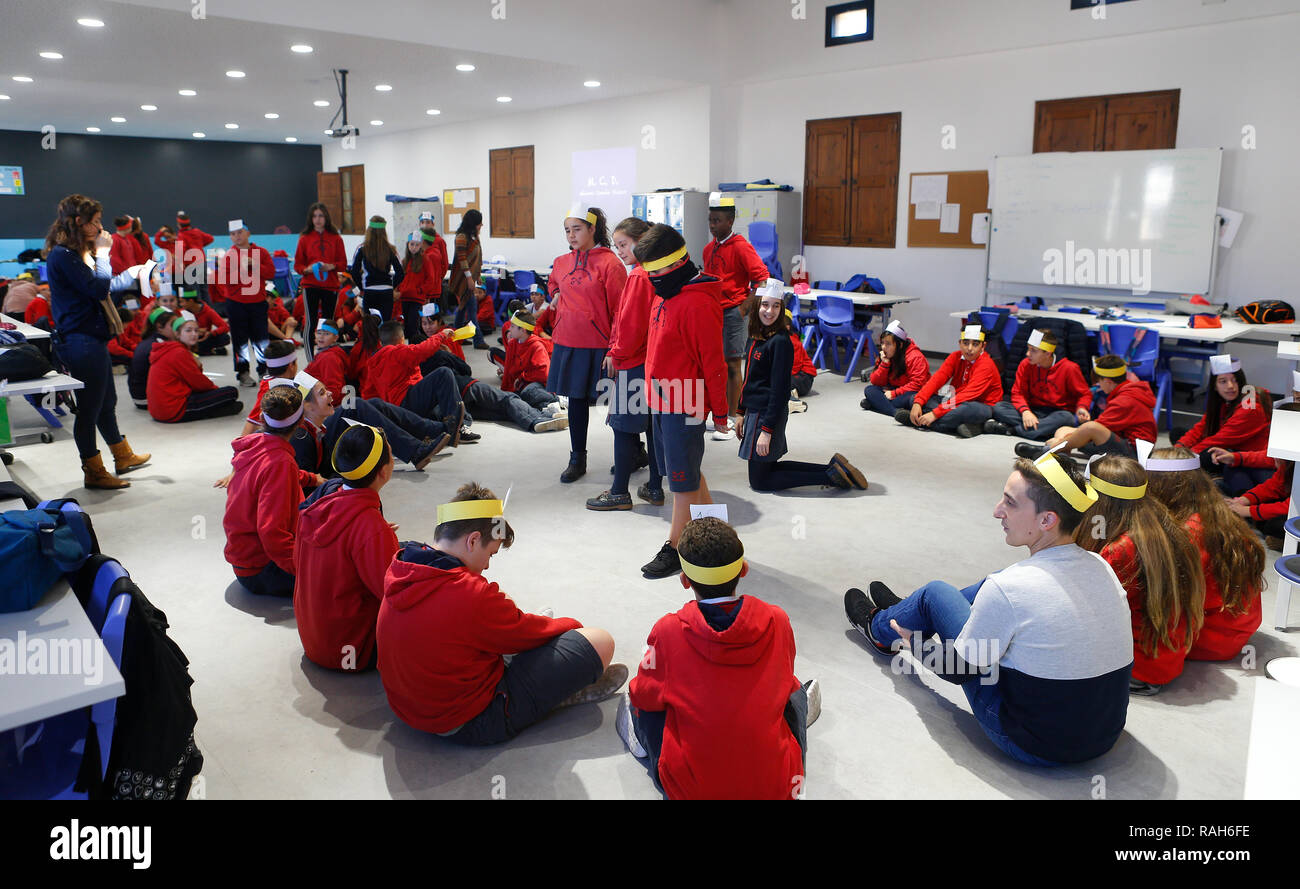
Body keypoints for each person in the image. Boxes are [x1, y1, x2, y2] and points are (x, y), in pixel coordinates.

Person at [844, 452, 1133, 765]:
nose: (998, 511)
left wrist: (914, 643)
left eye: (1010, 503)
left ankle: (881, 629)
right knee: (987, 586)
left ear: (1047, 520)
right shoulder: (1102, 566)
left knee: (935, 593)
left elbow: (959, 670)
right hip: (1104, 735)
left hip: (1031, 744)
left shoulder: (1010, 587)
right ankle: (911, 609)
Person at [375, 483, 627, 745]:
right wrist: (568, 627)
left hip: (409, 709)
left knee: (505, 615)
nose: (486, 566)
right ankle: (561, 694)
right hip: (471, 722)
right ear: (473, 540)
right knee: (600, 642)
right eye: (490, 554)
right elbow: (529, 632)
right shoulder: (469, 592)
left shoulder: (403, 563)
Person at [618, 517, 820, 799]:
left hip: (691, 791)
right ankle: (801, 709)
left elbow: (645, 696)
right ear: (744, 569)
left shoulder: (668, 630)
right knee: (792, 694)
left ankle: (641, 745)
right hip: (777, 788)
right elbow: (783, 680)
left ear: (684, 580)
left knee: (640, 703)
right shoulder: (778, 619)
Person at [635, 223, 730, 579]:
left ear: (677, 263)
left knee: (681, 479)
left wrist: (720, 411)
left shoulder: (698, 303)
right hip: (660, 398)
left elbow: (713, 363)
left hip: (684, 400)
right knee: (685, 469)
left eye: (657, 271)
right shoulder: (666, 291)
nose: (652, 278)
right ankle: (717, 537)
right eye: (649, 273)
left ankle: (677, 547)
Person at [43, 193, 151, 489]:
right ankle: (94, 471)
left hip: (91, 337)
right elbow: (99, 288)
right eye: (95, 222)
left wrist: (127, 272)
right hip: (79, 341)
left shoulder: (75, 253)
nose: (100, 227)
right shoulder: (64, 255)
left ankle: (122, 456)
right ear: (79, 222)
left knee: (107, 402)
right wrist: (104, 254)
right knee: (89, 408)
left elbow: (104, 286)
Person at [1076, 454, 1205, 695]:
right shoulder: (1165, 526)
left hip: (1137, 668)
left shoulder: (1118, 551)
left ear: (1100, 500)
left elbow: (1084, 613)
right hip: (1164, 659)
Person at [738, 280, 867, 493]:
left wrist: (767, 431)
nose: (770, 311)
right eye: (765, 305)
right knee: (768, 468)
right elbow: (749, 379)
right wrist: (741, 411)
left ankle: (831, 476)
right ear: (757, 305)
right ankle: (831, 469)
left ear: (782, 310)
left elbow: (780, 390)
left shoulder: (780, 342)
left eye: (776, 306)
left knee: (761, 482)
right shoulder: (755, 338)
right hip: (755, 412)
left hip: (767, 415)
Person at [294, 423, 401, 672]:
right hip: (354, 649)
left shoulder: (320, 500)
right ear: (384, 472)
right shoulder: (370, 526)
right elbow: (392, 596)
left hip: (314, 640)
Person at [1145, 446, 1263, 661]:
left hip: (1212, 636)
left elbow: (1169, 596)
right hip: (1236, 625)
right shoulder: (1214, 511)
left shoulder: (1189, 533)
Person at [547, 207, 627, 483]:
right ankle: (577, 458)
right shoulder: (560, 262)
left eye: (577, 229)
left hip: (600, 345)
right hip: (568, 342)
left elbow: (621, 310)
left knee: (616, 403)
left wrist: (615, 348)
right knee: (576, 402)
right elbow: (553, 282)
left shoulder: (610, 264)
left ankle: (633, 452)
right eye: (567, 230)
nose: (571, 235)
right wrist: (556, 293)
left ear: (593, 229)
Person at [588, 216, 660, 511]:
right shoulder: (653, 272)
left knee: (623, 426)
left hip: (633, 361)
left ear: (642, 241)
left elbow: (630, 325)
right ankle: (655, 486)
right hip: (650, 361)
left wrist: (616, 354)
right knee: (651, 428)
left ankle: (619, 492)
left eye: (624, 244)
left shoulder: (638, 277)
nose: (619, 251)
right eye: (616, 245)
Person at [223, 384, 307, 596]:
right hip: (262, 569)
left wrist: (312, 478)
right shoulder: (281, 463)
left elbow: (265, 480)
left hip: (247, 561)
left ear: (262, 417)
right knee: (347, 568)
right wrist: (303, 571)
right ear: (301, 422)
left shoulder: (255, 447)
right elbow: (271, 531)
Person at [701, 192, 770, 439]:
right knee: (713, 365)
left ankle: (732, 418)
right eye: (710, 220)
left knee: (732, 364)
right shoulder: (709, 249)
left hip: (733, 313)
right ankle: (717, 414)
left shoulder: (741, 246)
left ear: (730, 220)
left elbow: (761, 278)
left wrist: (744, 307)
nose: (712, 225)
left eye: (717, 220)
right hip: (712, 314)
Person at [1015, 355, 1156, 461]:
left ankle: (1051, 449)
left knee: (1090, 428)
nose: (1098, 386)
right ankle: (1062, 456)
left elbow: (1097, 427)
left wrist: (1060, 441)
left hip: (1135, 453)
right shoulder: (1126, 391)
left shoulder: (1125, 400)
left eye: (1099, 382)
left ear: (1107, 381)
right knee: (1063, 429)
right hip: (1121, 440)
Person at [364, 320, 470, 436]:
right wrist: (441, 335)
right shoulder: (398, 352)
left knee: (439, 413)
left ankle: (451, 426)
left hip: (396, 411)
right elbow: (422, 350)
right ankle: (457, 427)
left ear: (380, 342)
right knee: (444, 374)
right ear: (402, 339)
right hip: (408, 402)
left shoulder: (372, 364)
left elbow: (368, 395)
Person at [985, 328, 1092, 441]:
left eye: (1033, 350)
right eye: (1028, 349)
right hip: (1032, 409)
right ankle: (1038, 431)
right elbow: (1018, 393)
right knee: (999, 407)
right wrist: (1025, 411)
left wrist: (1082, 408)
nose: (1027, 354)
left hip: (1056, 412)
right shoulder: (1025, 364)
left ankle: (1013, 430)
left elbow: (1084, 394)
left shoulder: (1069, 368)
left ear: (1048, 353)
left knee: (1067, 418)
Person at [897, 324, 1002, 437]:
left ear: (983, 346)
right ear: (960, 343)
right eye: (966, 343)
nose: (970, 348)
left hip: (982, 406)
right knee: (914, 397)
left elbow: (968, 395)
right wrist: (918, 402)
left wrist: (935, 414)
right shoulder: (955, 357)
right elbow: (936, 380)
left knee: (966, 409)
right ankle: (964, 426)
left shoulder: (986, 365)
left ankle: (920, 422)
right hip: (955, 401)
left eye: (975, 344)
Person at [1173, 353, 1272, 470]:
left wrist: (1181, 458)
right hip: (1232, 446)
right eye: (1223, 381)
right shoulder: (1223, 400)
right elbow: (1200, 428)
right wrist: (1177, 449)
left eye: (1235, 381)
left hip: (1248, 459)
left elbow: (1220, 439)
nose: (1230, 386)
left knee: (1206, 454)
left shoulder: (1250, 407)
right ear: (1215, 386)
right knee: (1178, 434)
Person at [212, 219, 276, 387]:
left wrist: (254, 265)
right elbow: (226, 280)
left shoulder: (261, 253)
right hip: (236, 303)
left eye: (240, 232)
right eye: (233, 234)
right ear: (230, 237)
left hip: (258, 302)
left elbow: (270, 272)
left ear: (248, 233)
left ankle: (264, 369)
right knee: (240, 340)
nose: (237, 236)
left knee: (261, 338)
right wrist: (242, 267)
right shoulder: (228, 256)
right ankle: (243, 372)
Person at [147, 311, 243, 422]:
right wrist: (215, 392)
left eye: (196, 331)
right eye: (188, 331)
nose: (193, 334)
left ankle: (218, 409)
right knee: (230, 392)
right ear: (177, 334)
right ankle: (216, 410)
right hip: (173, 410)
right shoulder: (179, 352)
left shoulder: (171, 348)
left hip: (160, 409)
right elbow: (199, 383)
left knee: (223, 397)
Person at [294, 202, 348, 361]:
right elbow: (297, 265)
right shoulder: (304, 239)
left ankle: (326, 358)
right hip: (310, 285)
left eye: (321, 216)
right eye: (315, 216)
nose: (318, 219)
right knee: (310, 322)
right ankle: (311, 361)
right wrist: (308, 270)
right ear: (311, 219)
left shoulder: (336, 238)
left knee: (327, 323)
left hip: (330, 285)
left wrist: (331, 266)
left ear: (326, 218)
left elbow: (343, 263)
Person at [861, 319, 930, 416]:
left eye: (888, 344)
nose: (884, 347)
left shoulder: (915, 357)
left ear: (900, 345)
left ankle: (877, 404)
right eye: (882, 343)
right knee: (870, 390)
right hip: (893, 389)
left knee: (909, 399)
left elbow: (918, 385)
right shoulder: (886, 355)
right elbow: (875, 381)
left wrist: (895, 393)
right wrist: (884, 364)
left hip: (910, 392)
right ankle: (895, 412)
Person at [349, 216, 404, 322]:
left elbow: (354, 271)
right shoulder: (391, 249)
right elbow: (400, 272)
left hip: (369, 291)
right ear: (384, 231)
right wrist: (392, 286)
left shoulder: (362, 249)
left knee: (370, 326)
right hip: (386, 291)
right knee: (385, 325)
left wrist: (361, 287)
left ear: (369, 230)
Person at [396, 230, 439, 345]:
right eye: (412, 244)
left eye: (417, 244)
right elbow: (401, 279)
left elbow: (431, 280)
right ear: (408, 245)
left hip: (417, 299)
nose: (414, 247)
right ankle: (411, 348)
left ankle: (414, 348)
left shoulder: (425, 260)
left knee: (413, 326)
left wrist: (420, 291)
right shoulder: (405, 261)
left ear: (421, 246)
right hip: (404, 298)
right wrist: (399, 290)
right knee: (407, 327)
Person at [129, 306, 176, 409]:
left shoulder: (149, 340)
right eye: (173, 325)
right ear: (159, 327)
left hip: (139, 397)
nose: (177, 327)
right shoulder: (160, 344)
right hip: (147, 398)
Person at [447, 209, 483, 324]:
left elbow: (478, 257)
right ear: (473, 224)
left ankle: (457, 337)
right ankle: (478, 340)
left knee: (462, 309)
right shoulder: (461, 237)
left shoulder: (475, 237)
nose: (481, 225)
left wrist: (478, 275)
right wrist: (469, 279)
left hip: (470, 279)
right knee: (472, 311)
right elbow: (462, 260)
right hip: (463, 280)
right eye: (479, 223)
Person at [172, 211, 215, 300]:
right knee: (204, 289)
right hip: (202, 262)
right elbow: (210, 238)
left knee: (195, 290)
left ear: (179, 224)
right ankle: (209, 309)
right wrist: (199, 246)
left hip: (191, 266)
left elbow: (181, 250)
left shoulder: (181, 235)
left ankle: (199, 310)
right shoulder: (197, 231)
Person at [178, 286, 230, 355]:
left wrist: (210, 333)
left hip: (203, 339)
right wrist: (196, 330)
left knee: (224, 338)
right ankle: (209, 351)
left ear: (190, 301)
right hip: (188, 338)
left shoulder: (208, 311)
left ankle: (199, 351)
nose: (180, 304)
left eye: (182, 302)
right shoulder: (181, 312)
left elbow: (225, 326)